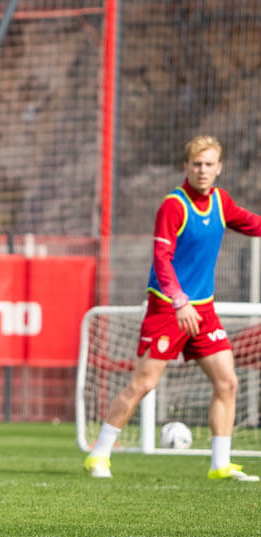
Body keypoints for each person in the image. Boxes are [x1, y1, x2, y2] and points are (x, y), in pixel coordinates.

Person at [85, 135, 261, 481]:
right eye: (197, 164)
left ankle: (220, 465)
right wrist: (180, 302)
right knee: (144, 383)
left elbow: (252, 223)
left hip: (203, 311)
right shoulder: (174, 205)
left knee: (227, 382)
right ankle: (99, 454)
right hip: (168, 308)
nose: (202, 170)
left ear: (219, 168)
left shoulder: (221, 202)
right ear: (186, 166)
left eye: (209, 164)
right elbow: (161, 260)